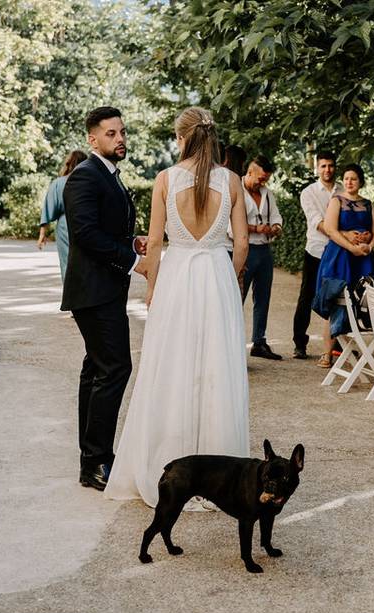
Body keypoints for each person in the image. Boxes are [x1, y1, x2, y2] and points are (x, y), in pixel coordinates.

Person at [105, 106, 250, 508]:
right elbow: (241, 245)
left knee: (171, 368)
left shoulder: (165, 179)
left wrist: (152, 286)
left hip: (179, 277)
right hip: (216, 277)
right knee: (216, 369)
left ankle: (168, 470)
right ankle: (219, 477)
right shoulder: (233, 181)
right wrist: (228, 277)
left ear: (182, 138)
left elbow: (153, 244)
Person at [61, 106, 148, 491]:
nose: (120, 139)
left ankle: (92, 457)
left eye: (122, 132)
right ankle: (95, 461)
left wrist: (132, 241)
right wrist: (134, 261)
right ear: (92, 139)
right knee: (115, 368)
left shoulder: (108, 175)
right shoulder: (85, 176)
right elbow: (85, 235)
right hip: (93, 293)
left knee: (96, 370)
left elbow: (107, 230)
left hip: (104, 290)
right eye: (111, 134)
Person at [313, 163, 374, 367]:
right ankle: (327, 353)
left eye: (354, 178)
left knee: (359, 303)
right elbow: (331, 230)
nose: (350, 182)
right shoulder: (337, 201)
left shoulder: (368, 204)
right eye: (347, 178)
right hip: (339, 257)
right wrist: (351, 247)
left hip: (363, 258)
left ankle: (349, 349)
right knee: (335, 300)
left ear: (361, 181)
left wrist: (369, 245)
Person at [292, 151, 342, 359]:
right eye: (323, 166)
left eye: (330, 166)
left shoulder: (343, 189)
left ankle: (337, 344)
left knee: (339, 298)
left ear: (335, 167)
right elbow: (317, 222)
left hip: (339, 253)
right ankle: (299, 344)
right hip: (316, 251)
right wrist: (341, 234)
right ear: (317, 168)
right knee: (307, 297)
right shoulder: (308, 192)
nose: (327, 170)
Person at [240, 155, 284, 360]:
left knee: (263, 299)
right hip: (244, 250)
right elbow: (231, 224)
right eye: (260, 179)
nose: (263, 183)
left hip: (264, 251)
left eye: (266, 179)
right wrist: (256, 228)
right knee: (237, 298)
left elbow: (275, 216)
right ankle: (233, 344)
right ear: (249, 173)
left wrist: (275, 227)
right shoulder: (236, 191)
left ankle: (259, 342)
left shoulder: (267, 194)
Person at [38, 150, 87, 282]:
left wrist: (42, 234)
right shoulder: (89, 183)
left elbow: (48, 209)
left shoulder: (58, 183)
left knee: (67, 262)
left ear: (68, 163)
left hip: (65, 227)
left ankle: (70, 294)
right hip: (87, 224)